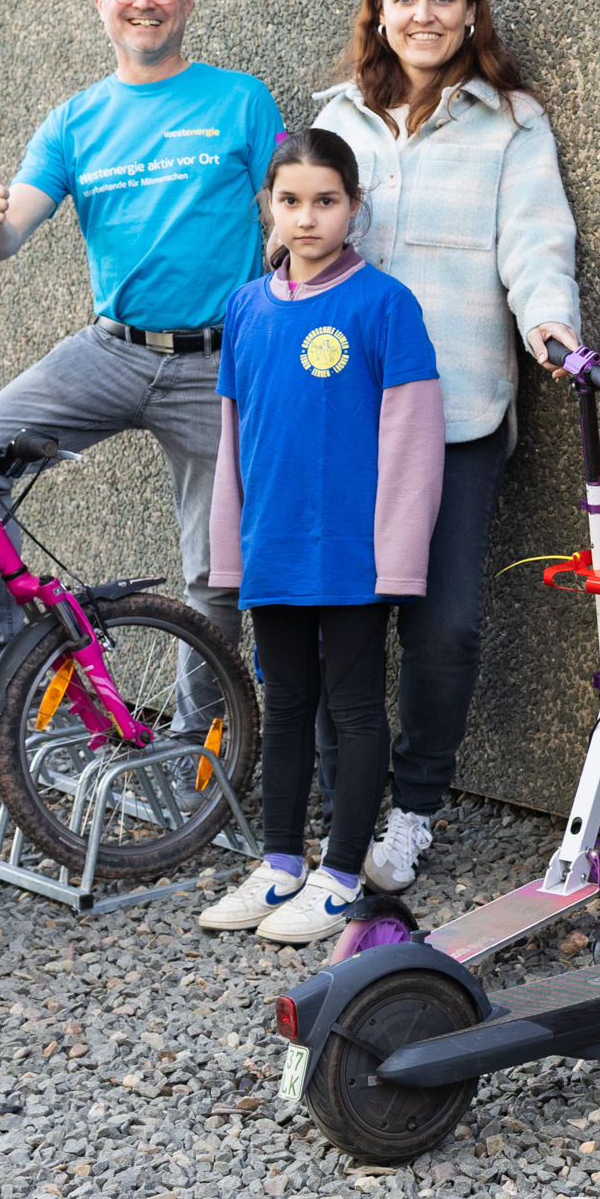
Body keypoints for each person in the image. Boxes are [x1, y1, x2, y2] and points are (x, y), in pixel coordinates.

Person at [0, 0, 283, 720]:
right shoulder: (74, 121)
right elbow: (6, 237)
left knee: (217, 572)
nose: (144, 1)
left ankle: (204, 741)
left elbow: (294, 210)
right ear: (100, 4)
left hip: (219, 360)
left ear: (187, 3)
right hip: (112, 350)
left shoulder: (241, 99)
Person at [309, 0, 579, 895]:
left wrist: (551, 330)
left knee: (446, 625)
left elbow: (536, 242)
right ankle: (340, 811)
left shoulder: (510, 122)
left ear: (471, 10)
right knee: (337, 617)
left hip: (455, 409)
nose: (422, 15)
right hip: (336, 411)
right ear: (378, 11)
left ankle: (414, 807)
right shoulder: (336, 118)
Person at [195, 130, 445, 946]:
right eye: (291, 200)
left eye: (326, 201)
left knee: (356, 709)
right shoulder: (244, 306)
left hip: (352, 553)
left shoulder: (383, 305)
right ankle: (279, 865)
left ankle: (340, 877)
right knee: (286, 704)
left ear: (354, 208)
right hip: (273, 548)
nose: (307, 218)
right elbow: (232, 442)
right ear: (268, 204)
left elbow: (412, 444)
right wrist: (230, 551)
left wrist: (397, 557)